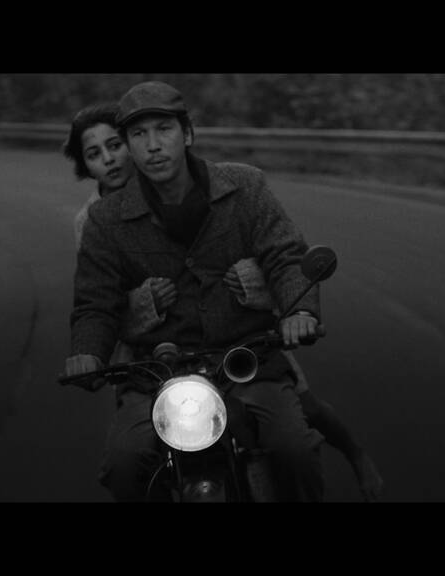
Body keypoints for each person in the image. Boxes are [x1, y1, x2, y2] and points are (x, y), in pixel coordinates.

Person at [63, 100, 383, 502]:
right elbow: (96, 300)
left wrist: (293, 307)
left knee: (297, 442)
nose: (149, 146)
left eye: (163, 130)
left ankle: (352, 456)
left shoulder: (238, 185)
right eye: (138, 135)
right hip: (154, 364)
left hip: (244, 351)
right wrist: (89, 351)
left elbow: (284, 256)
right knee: (124, 464)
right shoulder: (97, 219)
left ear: (187, 134)